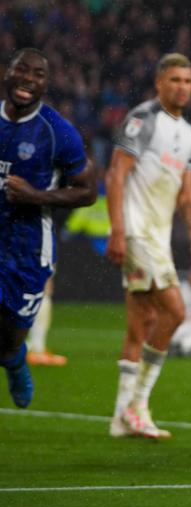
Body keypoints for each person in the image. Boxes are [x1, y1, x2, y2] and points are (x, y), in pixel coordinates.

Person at [106, 53, 191, 439]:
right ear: (159, 83)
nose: (182, 87)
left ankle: (120, 418)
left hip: (158, 239)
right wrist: (117, 230)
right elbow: (116, 176)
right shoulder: (143, 120)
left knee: (142, 324)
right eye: (175, 80)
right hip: (135, 233)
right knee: (175, 311)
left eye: (188, 81)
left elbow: (188, 193)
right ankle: (139, 405)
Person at [0, 48, 95, 407]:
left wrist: (36, 195)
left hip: (27, 249)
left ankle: (13, 359)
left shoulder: (58, 132)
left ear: (45, 84)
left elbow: (87, 191)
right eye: (21, 69)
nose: (27, 79)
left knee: (8, 340)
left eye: (37, 74)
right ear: (6, 73)